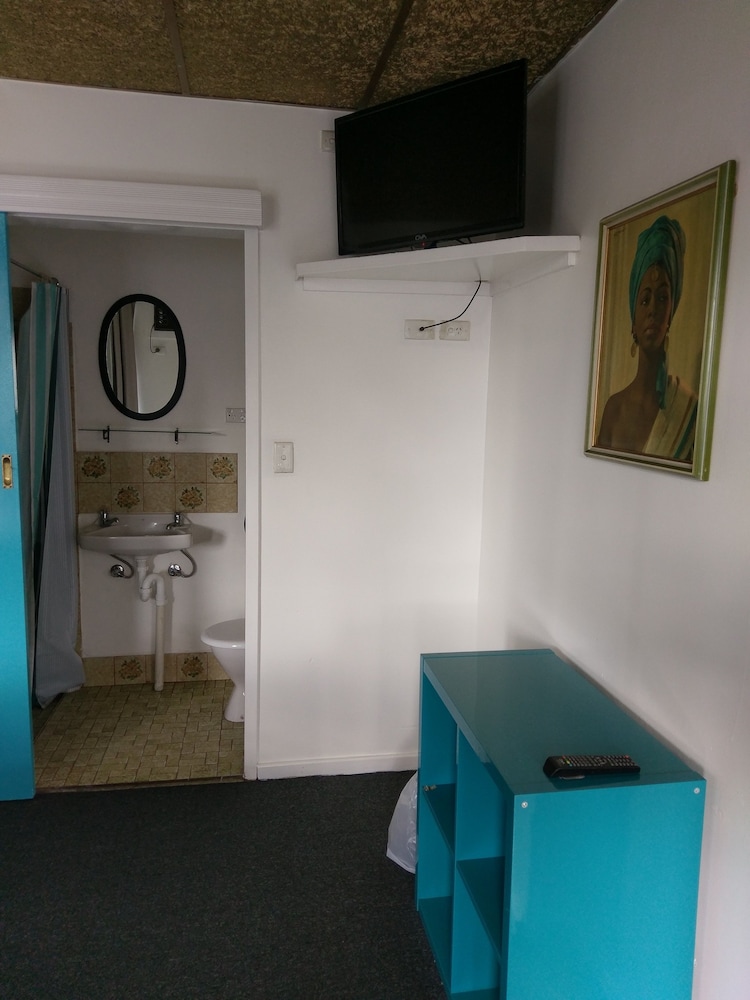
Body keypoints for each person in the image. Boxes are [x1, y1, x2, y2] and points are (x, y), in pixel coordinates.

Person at [596, 214, 697, 460]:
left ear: (670, 312)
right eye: (645, 300)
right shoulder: (614, 409)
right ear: (633, 319)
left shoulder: (688, 411)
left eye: (662, 298)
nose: (653, 309)